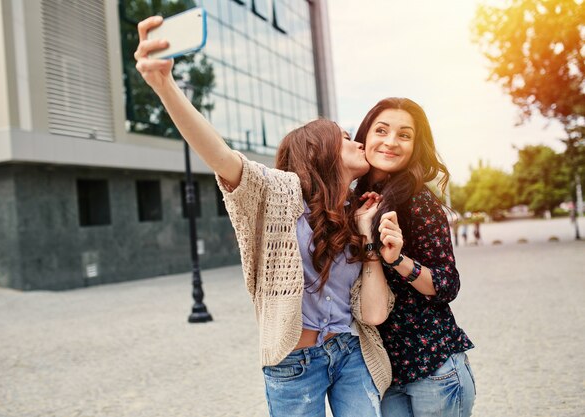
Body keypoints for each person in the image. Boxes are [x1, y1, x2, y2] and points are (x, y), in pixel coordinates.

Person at [134, 16, 397, 417]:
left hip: (352, 353)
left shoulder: (357, 214)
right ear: (319, 151)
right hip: (295, 364)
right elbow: (221, 157)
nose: (358, 141)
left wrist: (368, 236)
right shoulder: (277, 195)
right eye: (345, 137)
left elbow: (373, 311)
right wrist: (163, 85)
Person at [353, 97, 475, 417]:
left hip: (433, 370)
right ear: (365, 135)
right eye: (382, 130)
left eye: (404, 135)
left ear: (414, 146)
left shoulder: (418, 202)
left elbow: (447, 285)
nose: (391, 142)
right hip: (384, 374)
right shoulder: (352, 201)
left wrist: (398, 260)